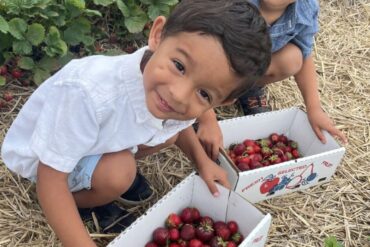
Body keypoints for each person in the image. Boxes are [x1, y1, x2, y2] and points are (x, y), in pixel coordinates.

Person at [1, 0, 271, 246]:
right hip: (46, 162)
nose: (178, 94)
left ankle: (97, 178)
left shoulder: (169, 98)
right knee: (119, 173)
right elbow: (50, 177)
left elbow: (181, 127)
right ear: (157, 35)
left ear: (220, 103)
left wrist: (203, 163)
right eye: (179, 65)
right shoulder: (89, 93)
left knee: (168, 135)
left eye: (203, 93)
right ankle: (81, 203)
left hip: (95, 140)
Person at [196, 0, 347, 162]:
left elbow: (305, 53)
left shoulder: (305, 8)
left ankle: (247, 89)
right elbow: (199, 54)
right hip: (208, 65)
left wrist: (314, 108)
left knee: (293, 59)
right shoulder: (230, 6)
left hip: (245, 67)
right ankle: (199, 98)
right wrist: (207, 119)